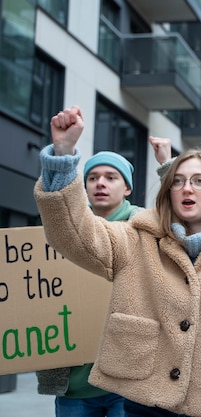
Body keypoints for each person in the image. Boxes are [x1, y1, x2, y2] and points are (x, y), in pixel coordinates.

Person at [33, 105, 201, 417]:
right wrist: (63, 152)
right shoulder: (137, 238)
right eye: (177, 181)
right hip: (143, 403)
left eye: (199, 181)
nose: (186, 187)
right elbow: (75, 235)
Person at [36, 150, 141, 417]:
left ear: (127, 187)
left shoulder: (147, 227)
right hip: (76, 383)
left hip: (128, 381)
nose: (100, 183)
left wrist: (167, 163)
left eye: (110, 177)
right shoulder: (62, 230)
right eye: (92, 177)